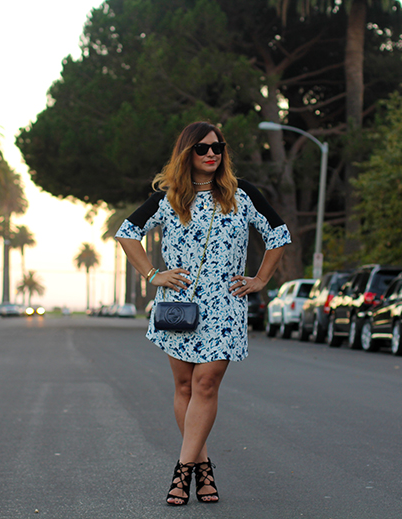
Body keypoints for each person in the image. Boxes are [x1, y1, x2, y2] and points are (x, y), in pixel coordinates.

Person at [115, 121, 291, 506]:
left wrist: (260, 279)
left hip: (225, 305)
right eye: (203, 148)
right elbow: (128, 232)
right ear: (187, 153)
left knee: (206, 384)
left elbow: (279, 234)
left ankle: (181, 473)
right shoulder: (170, 197)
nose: (212, 153)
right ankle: (204, 465)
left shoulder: (241, 194)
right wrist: (153, 274)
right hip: (178, 305)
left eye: (218, 147)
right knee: (184, 388)